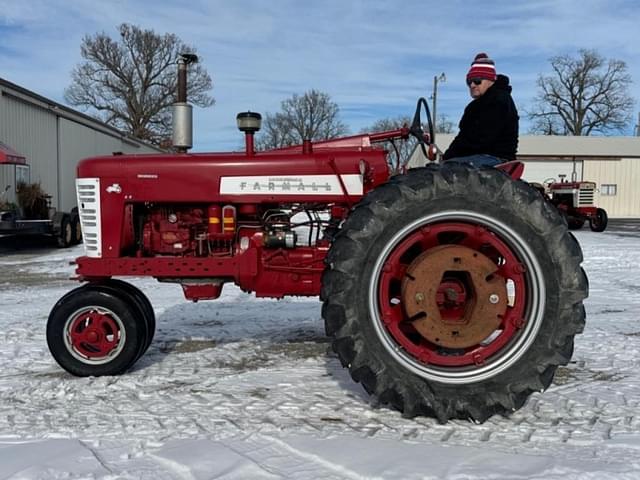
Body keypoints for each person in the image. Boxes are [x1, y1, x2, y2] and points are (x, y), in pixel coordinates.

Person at [442, 52, 519, 167]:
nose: (472, 85)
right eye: (469, 82)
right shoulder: (476, 106)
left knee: (446, 170)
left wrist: (449, 158)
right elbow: (463, 137)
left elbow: (479, 138)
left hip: (493, 158)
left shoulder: (499, 100)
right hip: (478, 157)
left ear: (490, 80)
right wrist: (446, 157)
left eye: (477, 80)